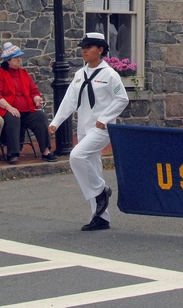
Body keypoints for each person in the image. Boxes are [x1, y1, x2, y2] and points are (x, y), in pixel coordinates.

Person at [49, 32, 129, 231]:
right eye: (83, 47)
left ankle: (102, 190)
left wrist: (104, 118)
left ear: (100, 50)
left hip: (101, 129)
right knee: (92, 166)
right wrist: (56, 122)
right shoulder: (79, 75)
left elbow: (122, 99)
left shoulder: (110, 74)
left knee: (76, 156)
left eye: (89, 47)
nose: (84, 50)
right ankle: (100, 217)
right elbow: (68, 101)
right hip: (84, 127)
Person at [0, 42, 59, 164]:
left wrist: (36, 98)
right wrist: (9, 107)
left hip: (26, 110)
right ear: (8, 61)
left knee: (40, 117)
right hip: (6, 109)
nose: (19, 60)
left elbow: (33, 90)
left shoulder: (23, 73)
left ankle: (46, 151)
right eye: (16, 58)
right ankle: (13, 152)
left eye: (19, 57)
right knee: (13, 117)